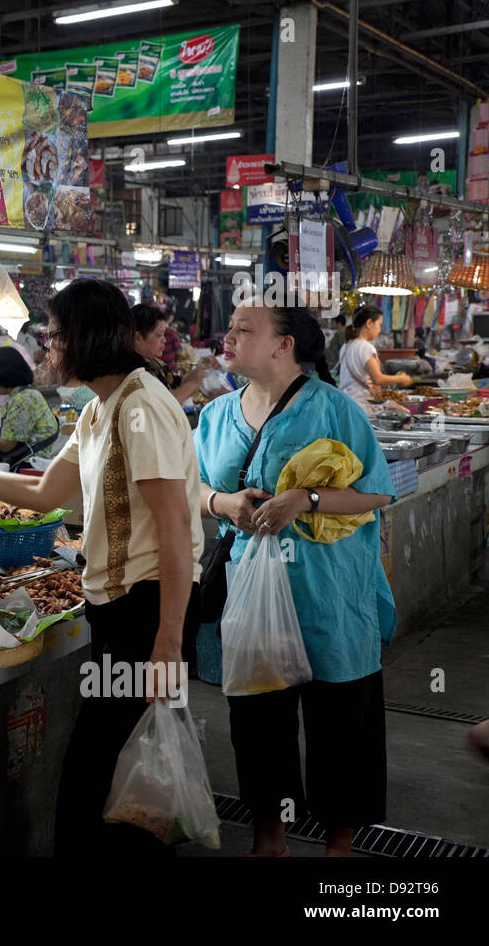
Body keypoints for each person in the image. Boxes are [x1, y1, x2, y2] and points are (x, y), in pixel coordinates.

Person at [0, 280, 204, 855]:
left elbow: (176, 528)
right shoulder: (100, 409)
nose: (46, 349)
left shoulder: (141, 407)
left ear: (85, 340)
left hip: (146, 611)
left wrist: (168, 643)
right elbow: (44, 495)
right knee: (108, 776)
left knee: (105, 781)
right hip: (115, 612)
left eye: (54, 337)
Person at [194, 300, 395, 857]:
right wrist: (220, 500)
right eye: (229, 327)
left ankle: (339, 844)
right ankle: (269, 840)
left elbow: (378, 490)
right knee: (258, 723)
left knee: (338, 722)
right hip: (253, 595)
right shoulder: (214, 416)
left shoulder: (334, 409)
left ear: (285, 345)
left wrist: (305, 499)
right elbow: (191, 487)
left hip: (329, 593)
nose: (227, 336)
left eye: (243, 329)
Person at [131, 302, 220, 406]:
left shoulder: (155, 363)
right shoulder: (133, 372)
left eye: (164, 334)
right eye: (159, 335)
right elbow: (159, 408)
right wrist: (192, 385)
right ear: (138, 338)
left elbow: (175, 382)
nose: (164, 340)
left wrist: (197, 372)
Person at [336, 306, 413, 406]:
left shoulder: (346, 346)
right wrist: (402, 378)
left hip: (345, 401)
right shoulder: (366, 347)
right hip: (361, 404)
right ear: (369, 323)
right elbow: (377, 379)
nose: (380, 330)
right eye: (379, 325)